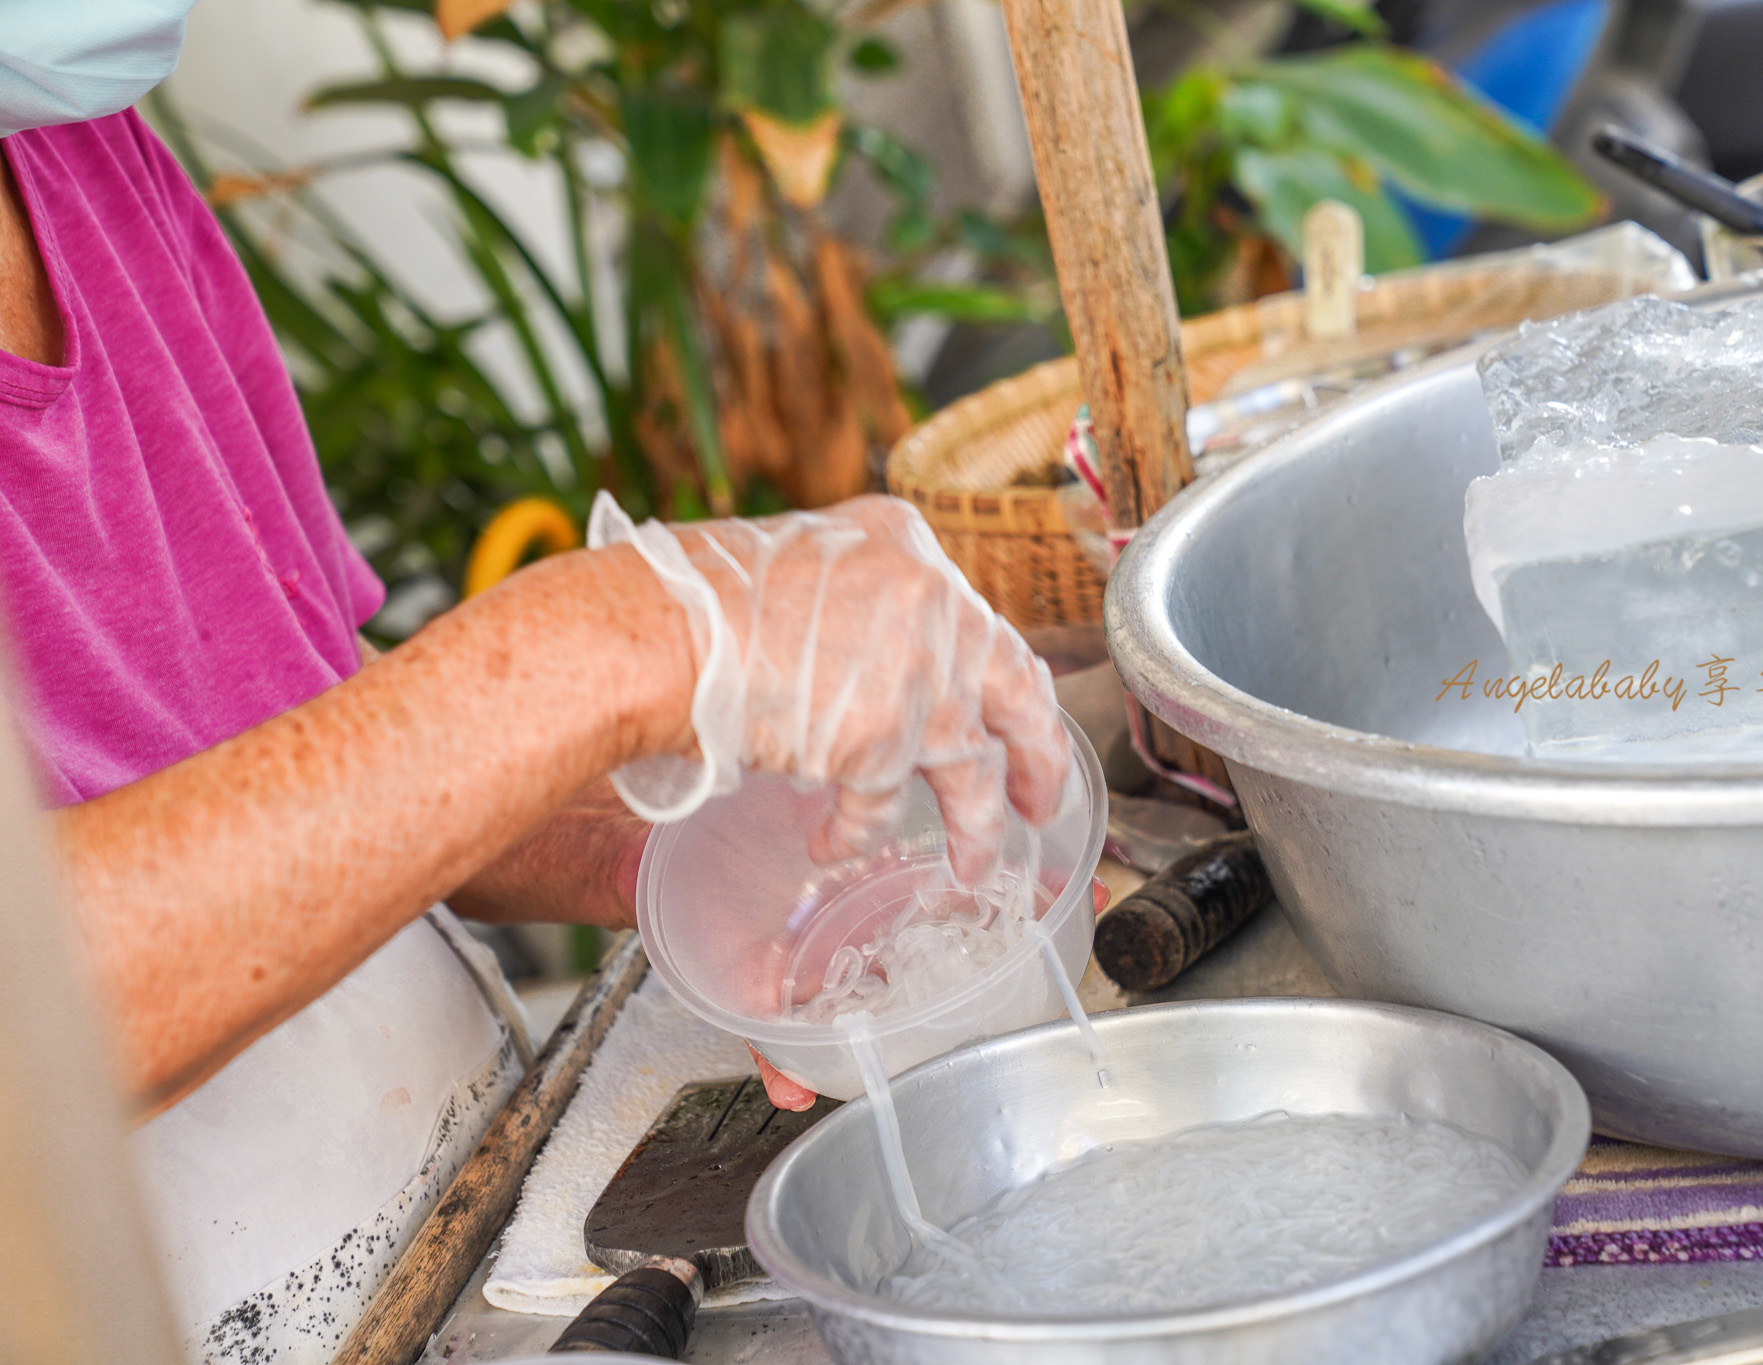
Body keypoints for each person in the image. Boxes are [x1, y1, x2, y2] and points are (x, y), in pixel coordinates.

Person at [0, 6, 1072, 1361]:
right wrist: (618, 644)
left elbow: (280, 724)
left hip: (475, 1262)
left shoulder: (86, 156)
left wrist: (662, 843)